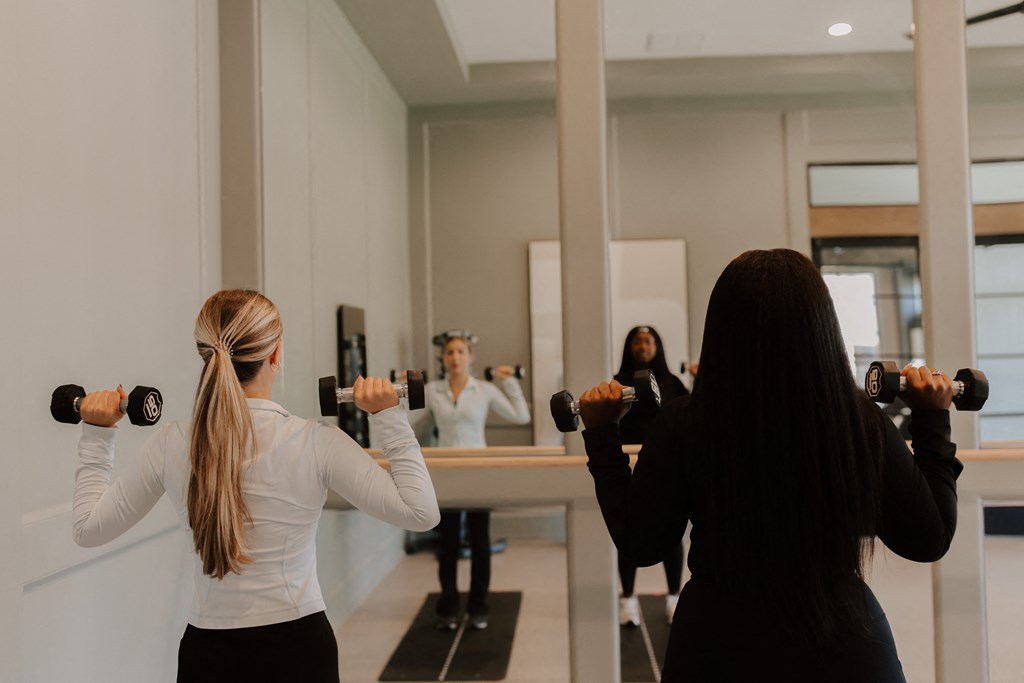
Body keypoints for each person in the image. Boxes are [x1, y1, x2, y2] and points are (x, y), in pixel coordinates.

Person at [578, 249, 961, 682]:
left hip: (716, 644)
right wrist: (932, 420)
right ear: (822, 327)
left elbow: (642, 544)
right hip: (847, 644)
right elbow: (928, 538)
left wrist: (602, 435)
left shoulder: (685, 420)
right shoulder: (858, 419)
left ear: (720, 332)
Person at [72, 289, 440, 683]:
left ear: (205, 354)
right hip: (299, 648)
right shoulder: (314, 440)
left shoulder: (172, 442)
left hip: (208, 655)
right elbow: (421, 514)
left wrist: (97, 433)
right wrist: (389, 418)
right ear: (276, 355)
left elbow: (88, 530)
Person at [415, 332, 531, 631]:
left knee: (480, 542)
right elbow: (405, 420)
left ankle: (479, 607)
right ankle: (448, 607)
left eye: (460, 352)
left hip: (479, 469)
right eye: (450, 352)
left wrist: (509, 382)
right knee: (449, 542)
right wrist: (403, 391)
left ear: (470, 357)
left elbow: (521, 416)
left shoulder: (485, 390)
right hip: (446, 471)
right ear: (443, 358)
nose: (455, 357)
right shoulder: (432, 390)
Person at [613, 325, 689, 626]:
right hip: (630, 466)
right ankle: (628, 599)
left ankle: (673, 597)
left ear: (657, 346)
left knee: (674, 533)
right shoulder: (617, 383)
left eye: (649, 340)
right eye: (637, 341)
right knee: (628, 533)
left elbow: (690, 417)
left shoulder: (673, 383)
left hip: (668, 466)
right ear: (629, 347)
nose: (643, 346)